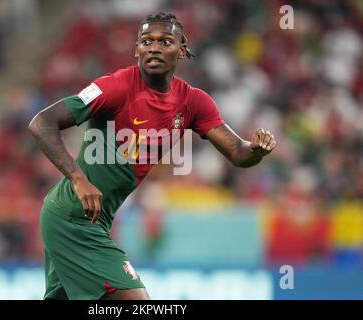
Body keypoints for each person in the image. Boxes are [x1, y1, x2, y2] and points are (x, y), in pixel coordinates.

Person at [28, 12, 276, 300]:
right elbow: (41, 123)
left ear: (182, 50)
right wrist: (78, 179)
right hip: (72, 219)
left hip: (95, 221)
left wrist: (255, 151)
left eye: (165, 41)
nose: (154, 47)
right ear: (137, 50)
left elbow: (237, 151)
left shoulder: (193, 102)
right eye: (146, 41)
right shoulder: (116, 87)